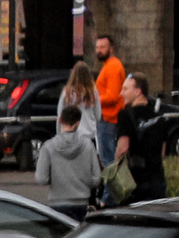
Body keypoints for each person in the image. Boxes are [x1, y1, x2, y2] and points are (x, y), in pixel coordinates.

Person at [34, 105, 101, 220]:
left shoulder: (48, 147)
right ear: (77, 123)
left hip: (57, 202)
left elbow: (41, 178)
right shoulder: (88, 145)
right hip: (81, 203)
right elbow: (96, 178)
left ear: (60, 120)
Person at [113, 74, 168, 202]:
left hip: (136, 180)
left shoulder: (125, 115)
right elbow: (162, 152)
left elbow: (123, 148)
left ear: (138, 91)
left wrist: (116, 171)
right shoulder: (160, 117)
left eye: (125, 89)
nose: (121, 93)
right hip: (157, 180)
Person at [93, 37, 125, 166]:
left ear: (111, 49)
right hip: (107, 119)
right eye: (97, 47)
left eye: (103, 47)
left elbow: (113, 96)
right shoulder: (108, 66)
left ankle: (112, 186)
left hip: (109, 119)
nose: (99, 50)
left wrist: (92, 99)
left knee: (108, 162)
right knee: (108, 160)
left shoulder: (112, 67)